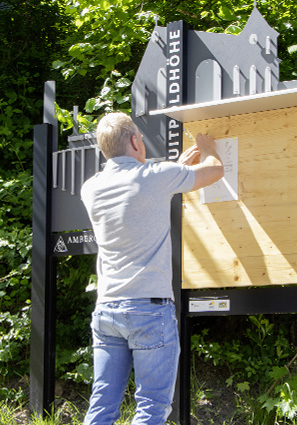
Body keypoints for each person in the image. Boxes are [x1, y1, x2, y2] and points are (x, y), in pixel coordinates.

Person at [81, 112, 224, 425]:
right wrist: (209, 146)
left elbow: (137, 188)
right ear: (134, 140)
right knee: (151, 407)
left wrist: (175, 167)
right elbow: (215, 171)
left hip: (107, 311)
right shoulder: (157, 177)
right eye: (140, 139)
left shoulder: (90, 189)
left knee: (103, 403)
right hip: (149, 311)